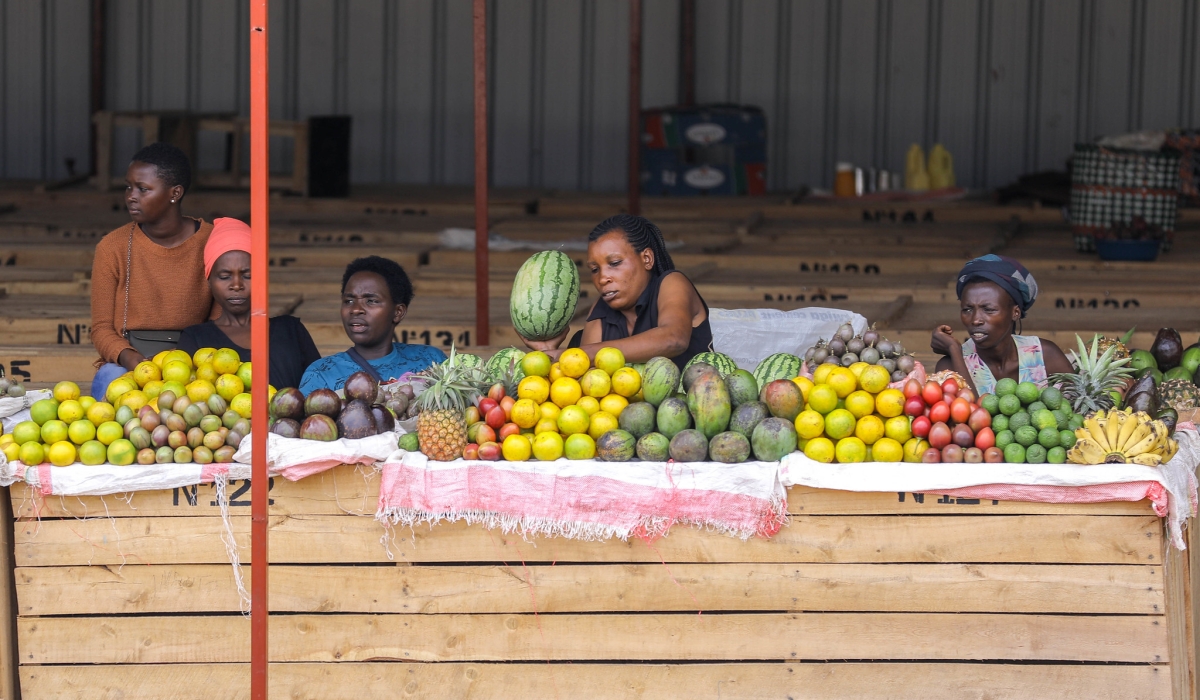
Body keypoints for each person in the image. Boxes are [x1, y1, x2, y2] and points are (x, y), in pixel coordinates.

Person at [90, 142, 215, 400]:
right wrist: (131, 358)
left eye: (143, 189)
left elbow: (219, 324)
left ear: (175, 193)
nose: (130, 196)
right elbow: (101, 328)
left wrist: (183, 364)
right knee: (109, 377)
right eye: (128, 187)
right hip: (131, 361)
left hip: (195, 361)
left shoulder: (213, 242)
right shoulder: (112, 247)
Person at [520, 214, 713, 369]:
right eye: (594, 269)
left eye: (614, 263)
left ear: (646, 259)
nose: (602, 278)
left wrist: (583, 353)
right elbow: (586, 383)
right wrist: (547, 355)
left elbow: (673, 339)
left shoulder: (672, 283)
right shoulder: (600, 312)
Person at [177, 218, 321, 389]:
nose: (237, 285)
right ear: (209, 281)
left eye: (247, 275)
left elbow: (320, 392)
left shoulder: (291, 331)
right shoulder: (196, 339)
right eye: (225, 276)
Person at [931, 254, 1074, 395]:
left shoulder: (1045, 355)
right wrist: (954, 349)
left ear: (1015, 313)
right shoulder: (950, 366)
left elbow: (1079, 406)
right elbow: (967, 409)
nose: (975, 320)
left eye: (988, 309)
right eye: (967, 310)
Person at [299, 256, 445, 393]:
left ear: (398, 312)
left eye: (371, 301)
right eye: (349, 301)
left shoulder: (431, 360)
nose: (356, 309)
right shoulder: (321, 374)